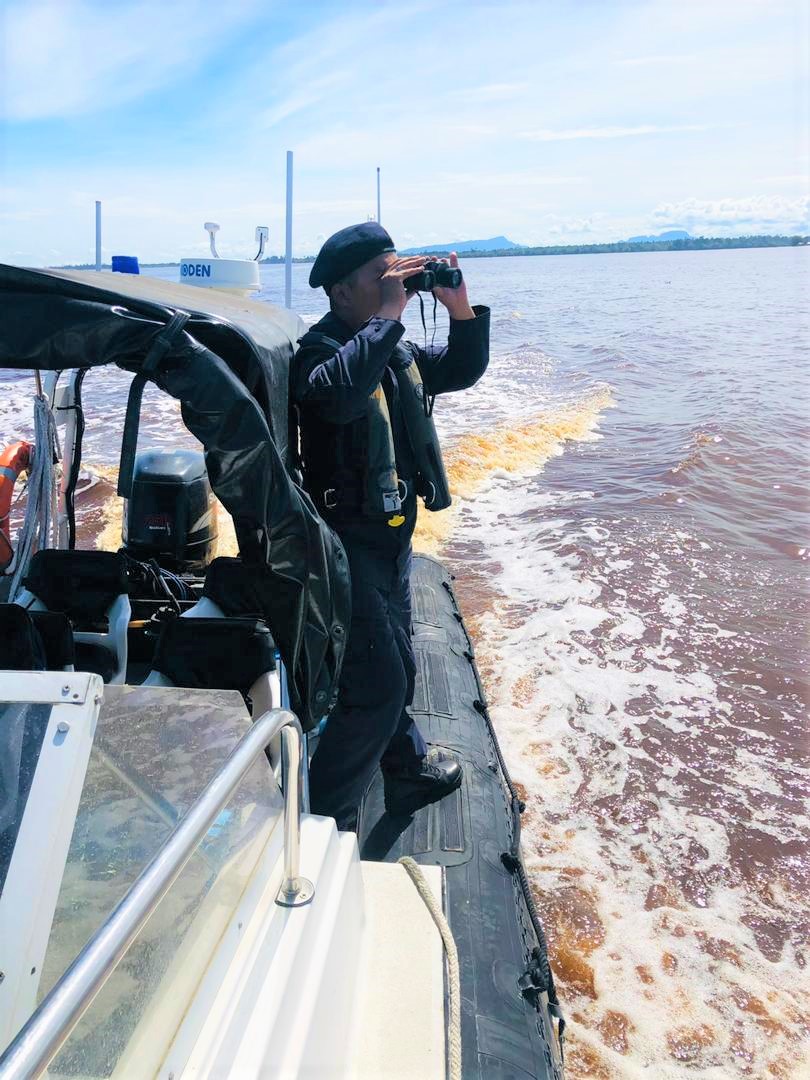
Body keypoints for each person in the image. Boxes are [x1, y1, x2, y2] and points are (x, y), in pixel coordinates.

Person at [292, 222, 490, 829]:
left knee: (397, 662)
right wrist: (389, 315)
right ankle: (322, 823)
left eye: (397, 275)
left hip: (391, 537)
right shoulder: (320, 354)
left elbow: (460, 370)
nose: (394, 287)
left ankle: (404, 767)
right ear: (340, 292)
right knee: (376, 688)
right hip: (345, 547)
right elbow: (338, 397)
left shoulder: (391, 347)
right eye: (381, 278)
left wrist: (459, 309)